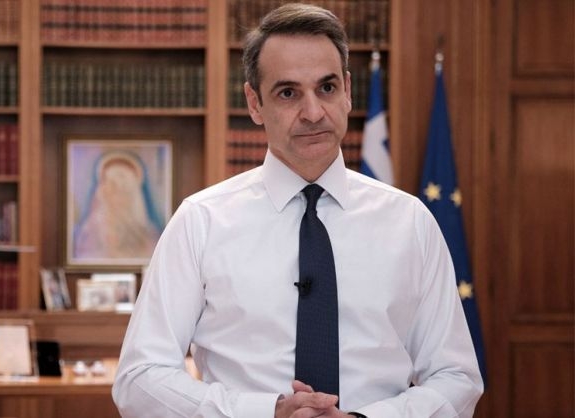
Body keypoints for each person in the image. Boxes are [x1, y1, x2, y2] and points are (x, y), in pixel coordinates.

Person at [112, 3, 484, 417]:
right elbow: (139, 378)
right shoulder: (200, 222)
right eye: (288, 93)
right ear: (254, 103)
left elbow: (457, 377)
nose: (313, 113)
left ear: (347, 91)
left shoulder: (411, 222)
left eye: (327, 88)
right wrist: (264, 413)